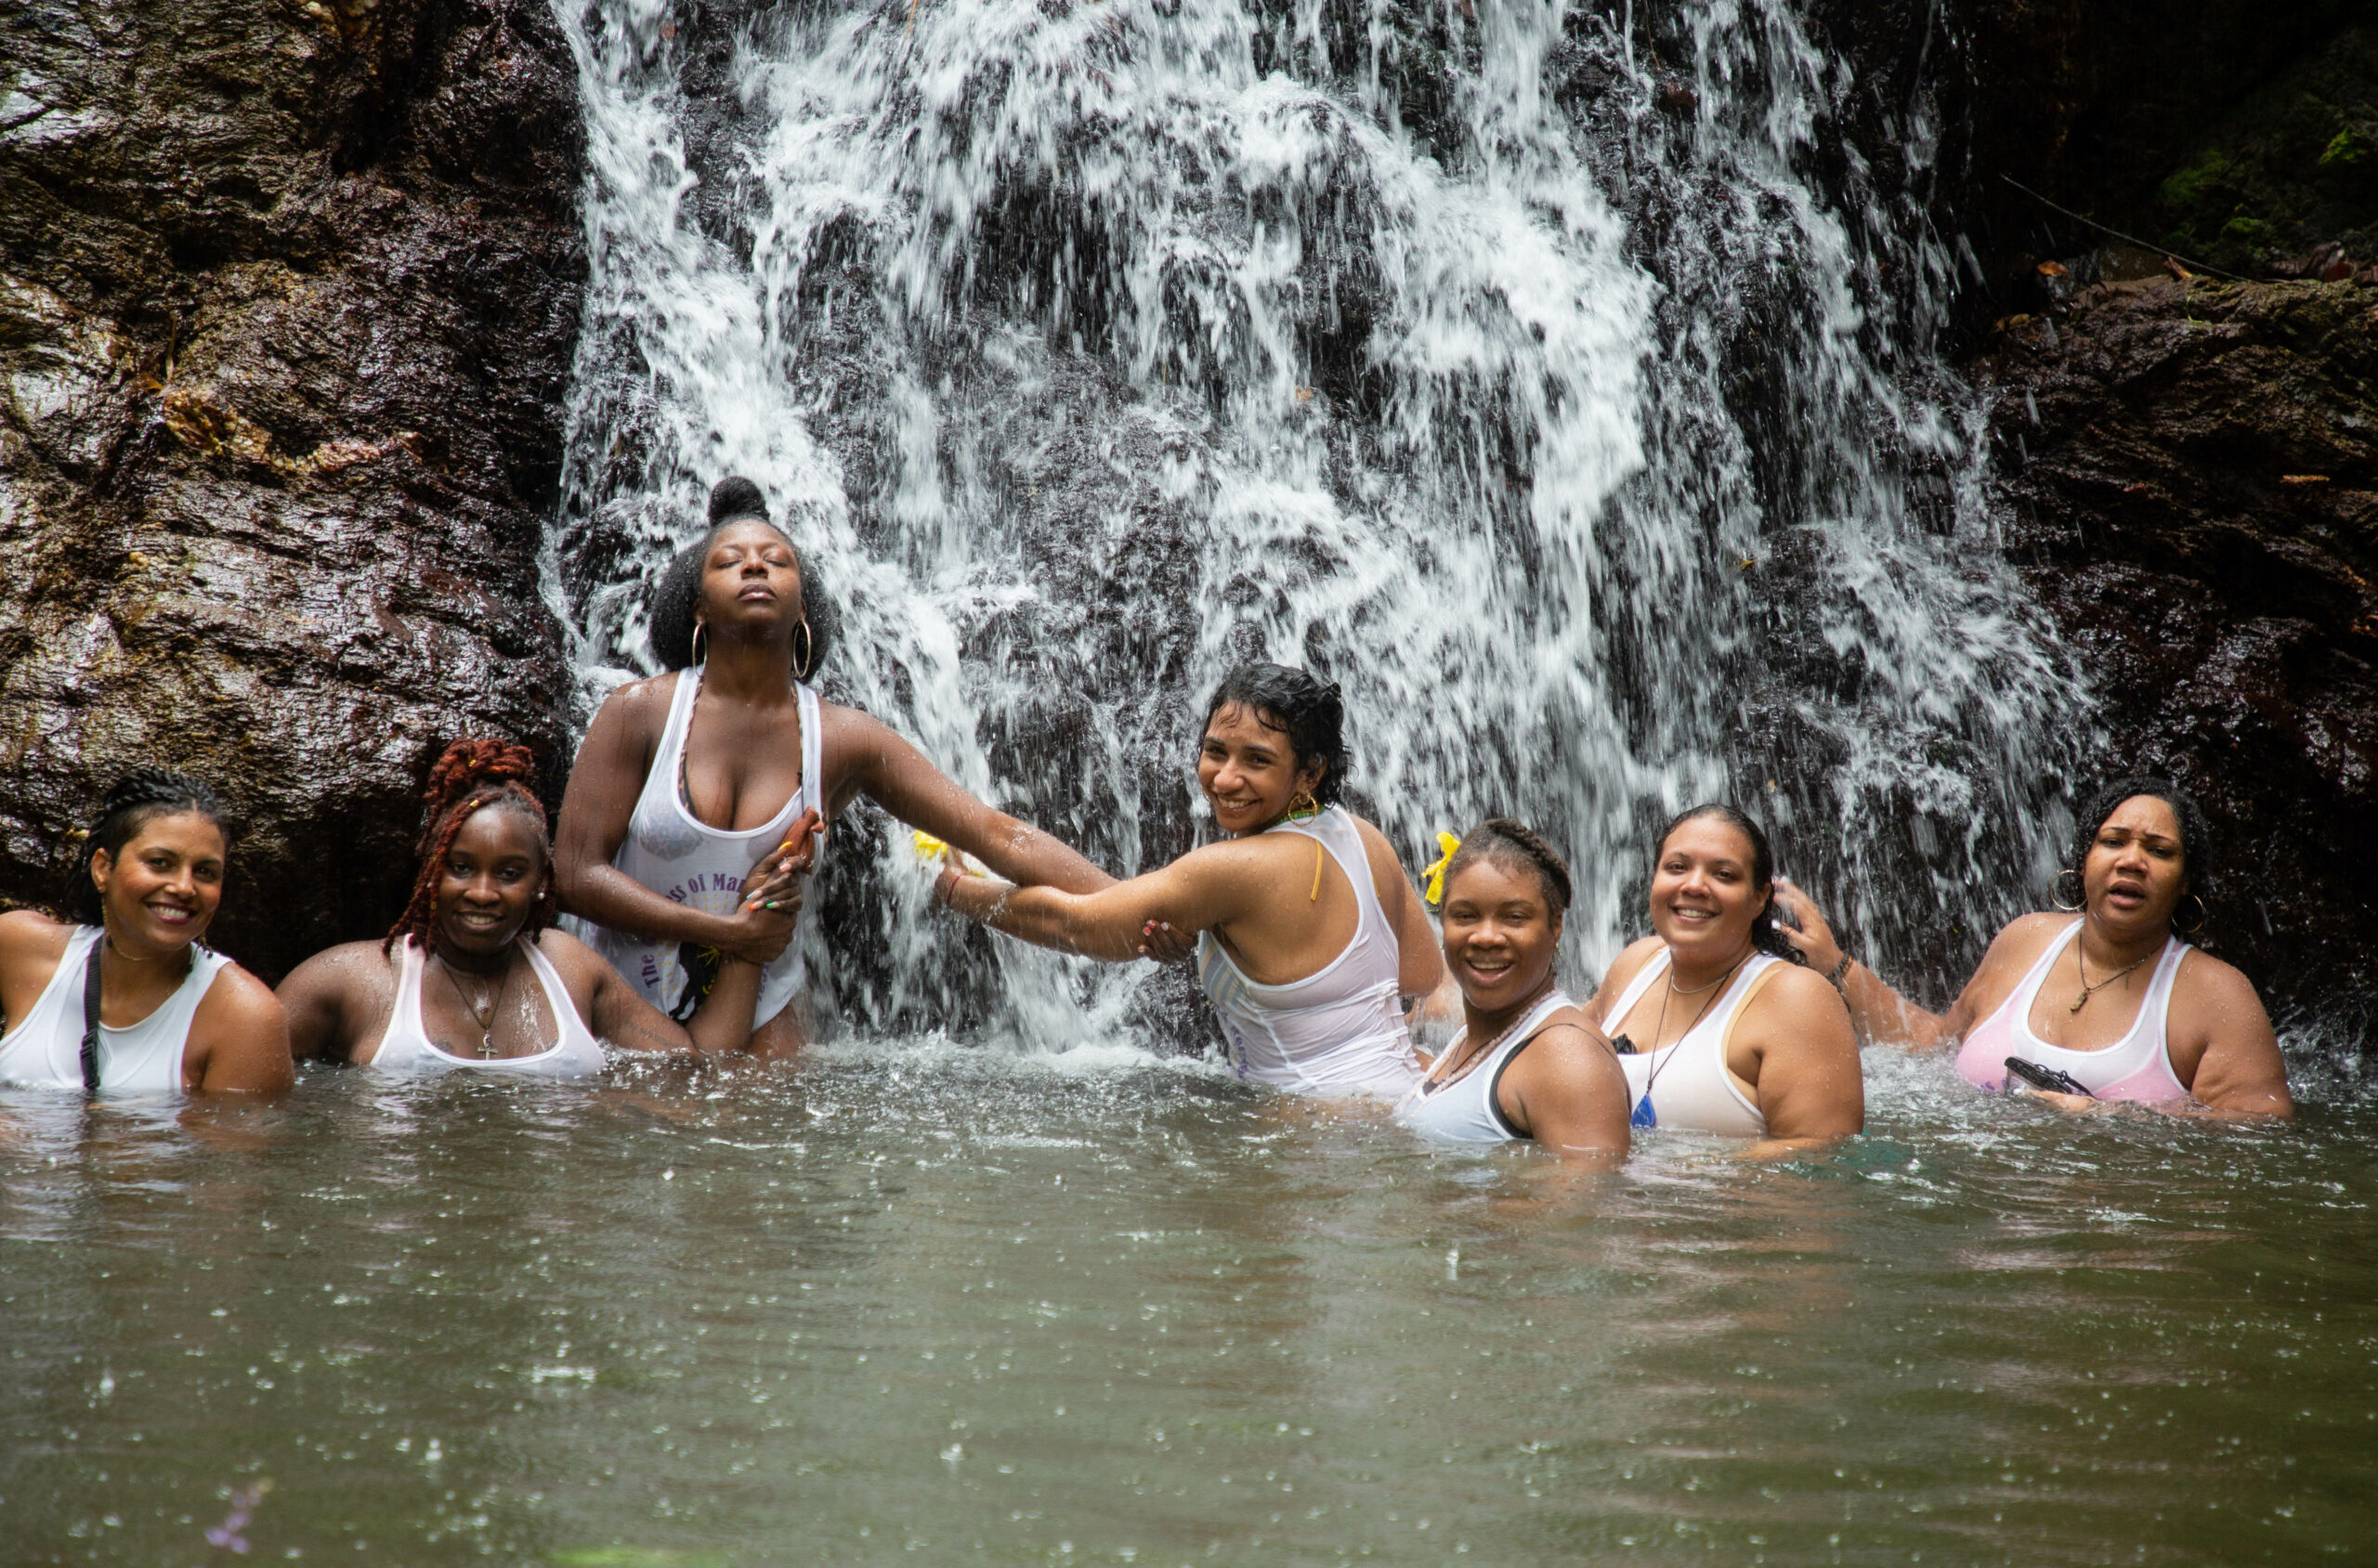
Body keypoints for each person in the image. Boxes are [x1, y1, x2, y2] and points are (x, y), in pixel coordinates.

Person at [554, 477, 1117, 1057]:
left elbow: (996, 833)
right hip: (626, 996)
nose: (755, 568)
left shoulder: (843, 738)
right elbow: (573, 875)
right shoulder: (639, 713)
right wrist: (728, 933)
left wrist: (1141, 906)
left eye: (776, 561)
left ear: (804, 607)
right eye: (730, 562)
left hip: (767, 1004)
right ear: (697, 604)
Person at [934, 662, 1444, 1098]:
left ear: (1311, 772)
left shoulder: (1234, 868)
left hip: (1318, 1128)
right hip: (1402, 1092)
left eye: (1257, 761)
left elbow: (1077, 925)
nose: (1224, 778)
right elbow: (1422, 973)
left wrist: (957, 889)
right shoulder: (1363, 838)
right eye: (1216, 751)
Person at [1774, 777, 2292, 1118]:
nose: (2132, 861)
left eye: (2159, 851)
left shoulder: (2216, 993)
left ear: (2185, 883)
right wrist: (1836, 964)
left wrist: (2116, 1116)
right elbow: (1935, 1046)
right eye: (2113, 842)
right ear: (2084, 861)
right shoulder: (2025, 940)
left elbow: (2259, 1127)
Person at [281, 739, 781, 1073]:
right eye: (460, 867)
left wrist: (752, 933)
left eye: (509, 873)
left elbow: (694, 1072)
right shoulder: (350, 981)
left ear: (543, 883)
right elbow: (226, 1082)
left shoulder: (569, 968)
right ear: (430, 869)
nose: (482, 892)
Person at [1588, 804, 1862, 1150]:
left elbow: (1821, 1154)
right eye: (1676, 867)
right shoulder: (1637, 963)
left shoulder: (1797, 997)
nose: (1694, 885)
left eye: (1724, 875)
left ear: (1760, 897)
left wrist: (1677, 1178)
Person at [0, 770, 292, 1096]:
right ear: (102, 869)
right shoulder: (17, 948)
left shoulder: (243, 1016)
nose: (184, 887)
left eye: (205, 872)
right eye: (159, 862)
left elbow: (229, 1147)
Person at [1392, 820, 1631, 1161]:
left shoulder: (1567, 1057)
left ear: (1556, 926)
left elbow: (1589, 1208)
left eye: (1514, 917)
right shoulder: (1477, 1037)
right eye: (1465, 916)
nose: (1486, 936)